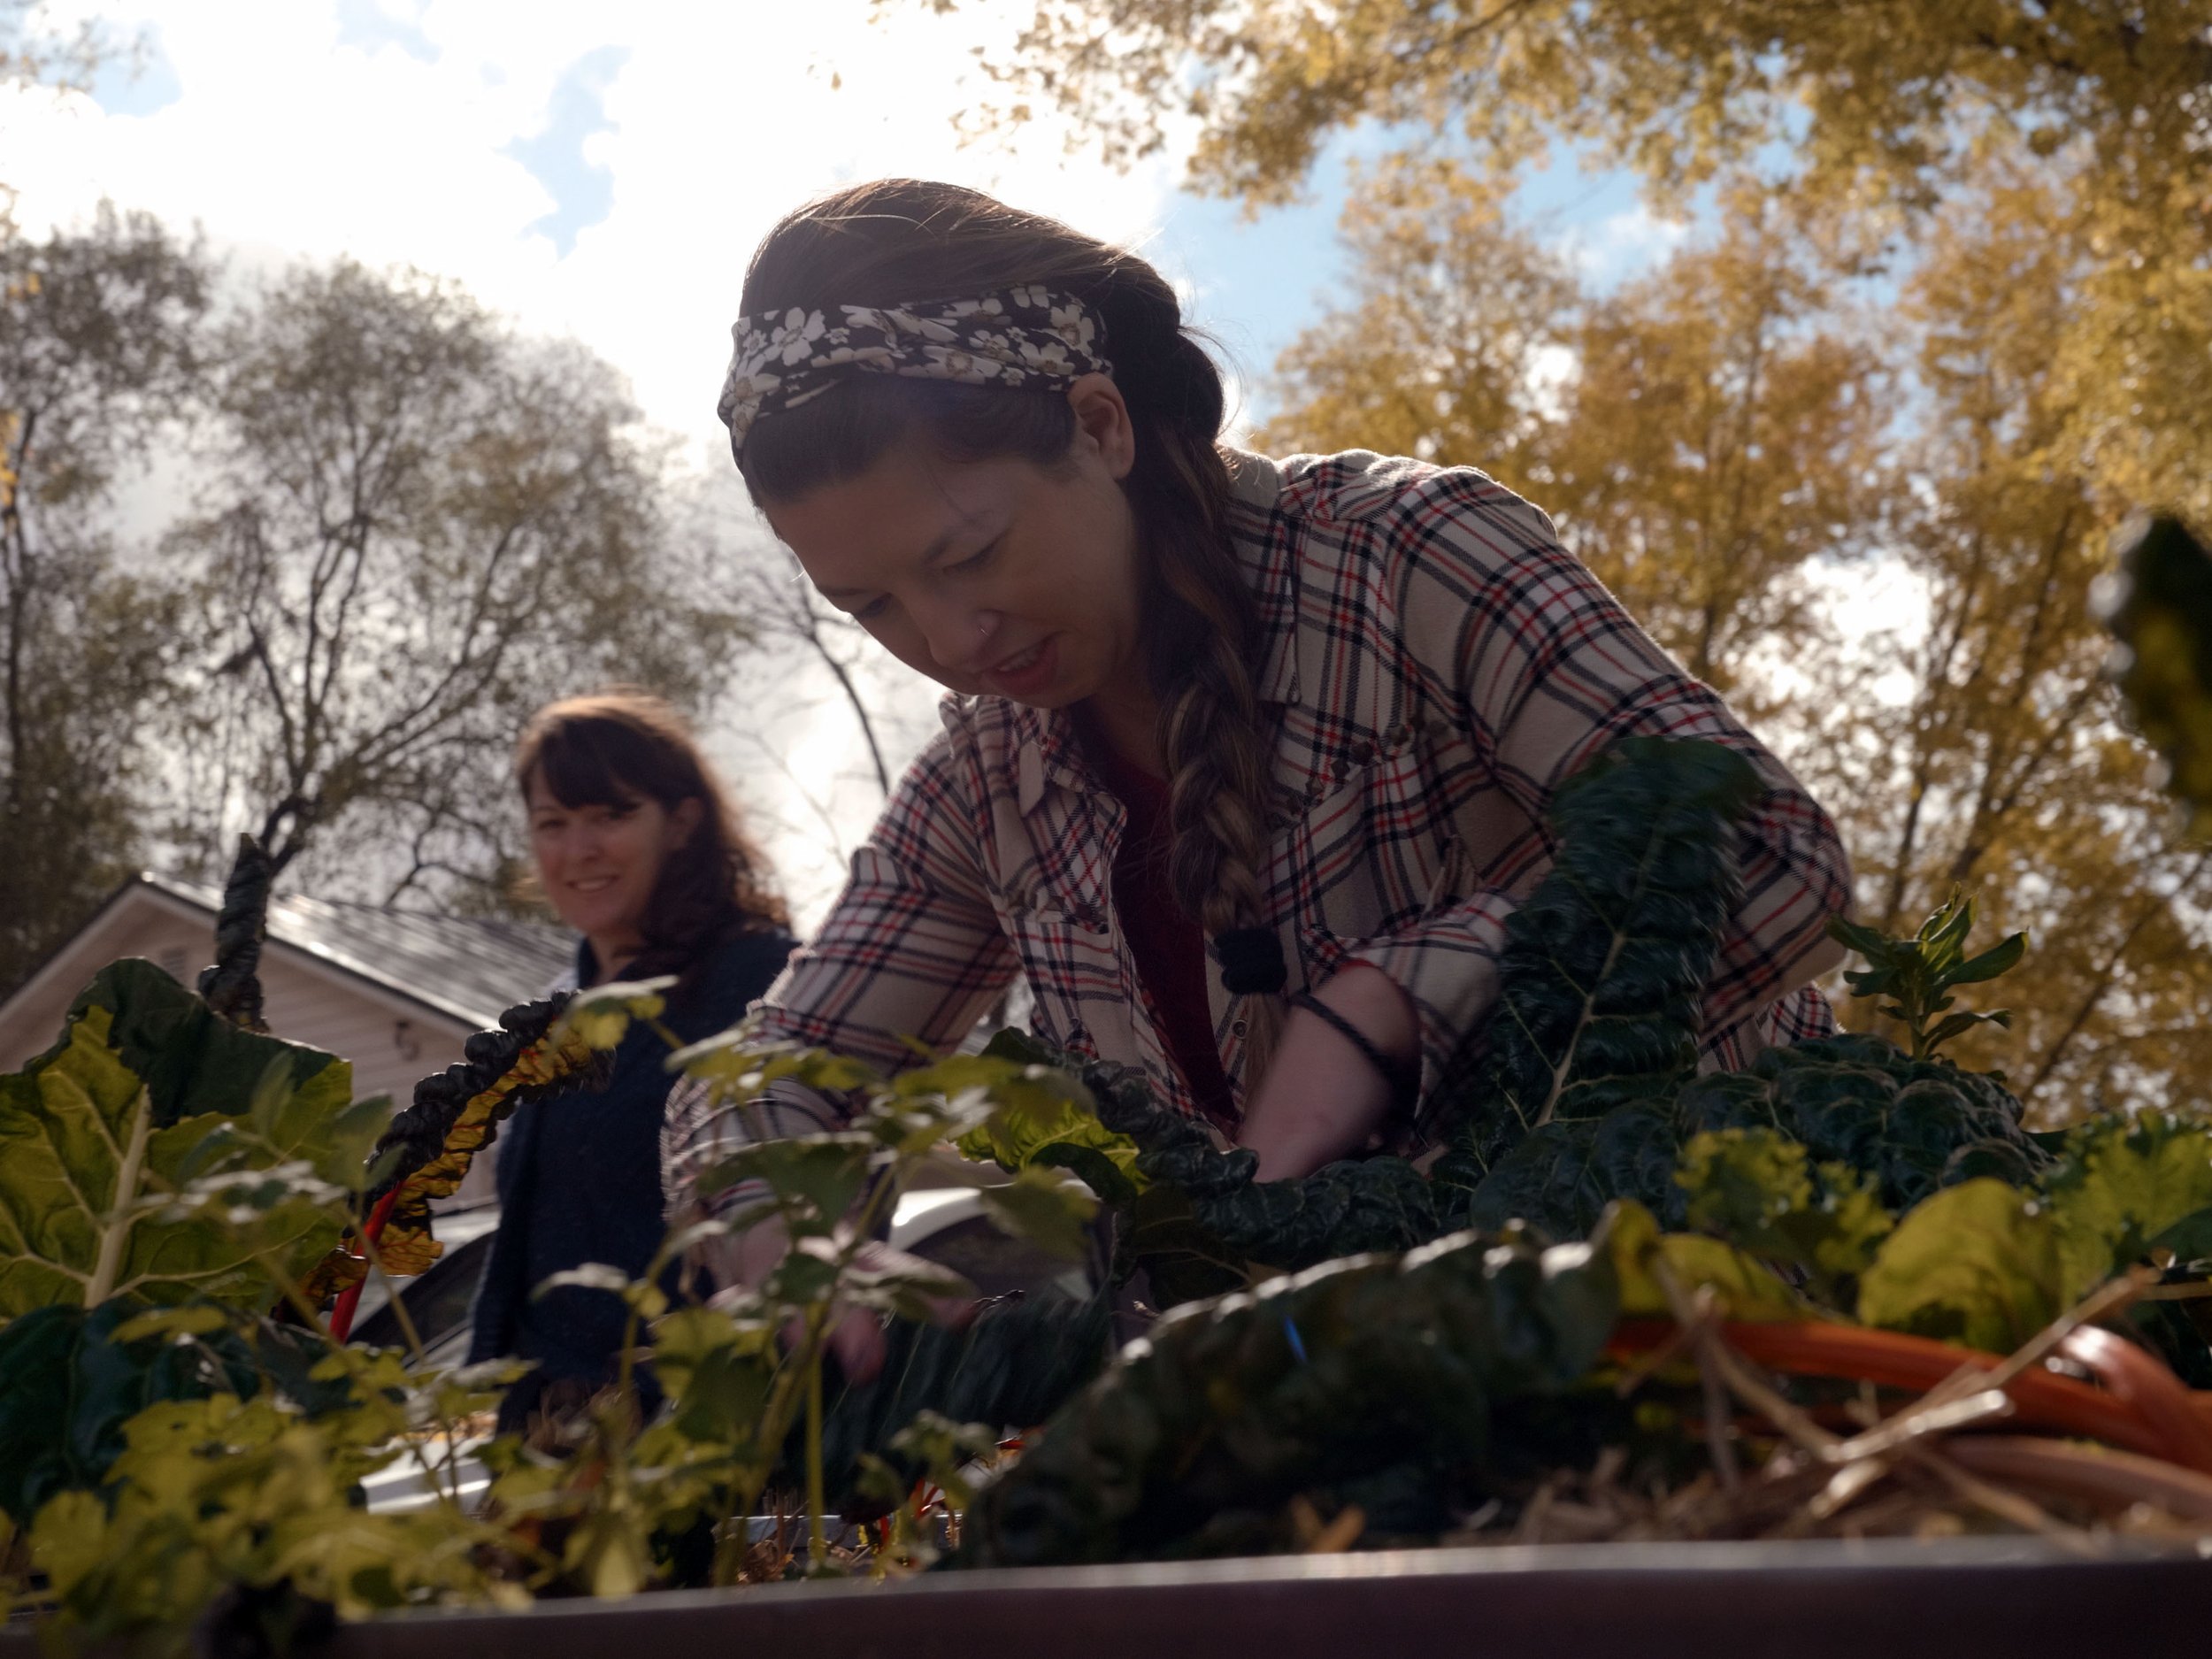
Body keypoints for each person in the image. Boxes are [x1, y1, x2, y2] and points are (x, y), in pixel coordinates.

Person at [664, 178, 1852, 1376]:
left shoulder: (1409, 560)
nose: (949, 638)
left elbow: (1763, 847)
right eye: (869, 604)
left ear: (1100, 423)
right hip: (1387, 1423)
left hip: (1729, 1356)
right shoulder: (987, 784)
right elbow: (772, 1068)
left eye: (971, 552)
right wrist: (777, 1219)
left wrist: (1407, 999)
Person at [469, 690, 798, 1433]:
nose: (578, 849)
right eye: (553, 824)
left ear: (681, 822)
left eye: (611, 816)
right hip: (548, 1431)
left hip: (692, 1434)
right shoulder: (556, 1011)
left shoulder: (759, 981)